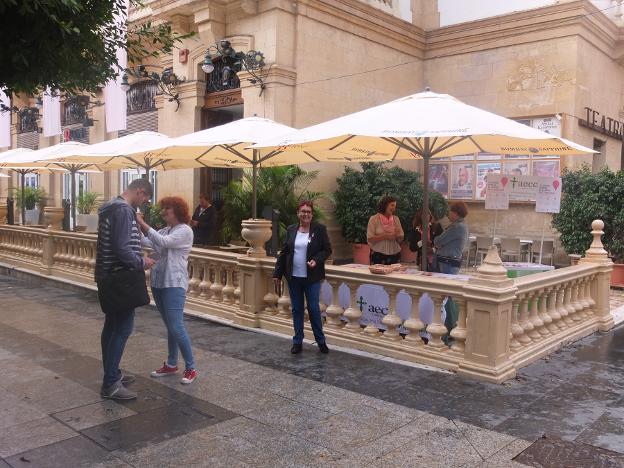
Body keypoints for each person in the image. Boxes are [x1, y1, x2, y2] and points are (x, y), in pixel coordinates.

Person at [95, 179, 155, 400]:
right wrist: (142, 262)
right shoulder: (123, 210)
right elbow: (122, 248)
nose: (143, 204)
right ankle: (110, 383)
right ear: (140, 192)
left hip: (108, 275)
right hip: (120, 277)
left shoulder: (110, 207)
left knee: (111, 326)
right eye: (145, 199)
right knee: (122, 328)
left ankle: (112, 373)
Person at [137, 196, 198, 385]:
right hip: (159, 283)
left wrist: (142, 223)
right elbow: (146, 242)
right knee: (171, 327)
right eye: (163, 209)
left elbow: (162, 242)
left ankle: (191, 367)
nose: (164, 212)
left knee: (176, 326)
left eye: (168, 209)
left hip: (174, 284)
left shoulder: (184, 231)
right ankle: (172, 364)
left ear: (178, 211)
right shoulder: (165, 230)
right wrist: (133, 223)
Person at [273, 201, 332, 354]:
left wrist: (317, 260)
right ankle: (297, 341)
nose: (306, 214)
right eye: (303, 211)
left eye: (309, 212)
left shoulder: (319, 229)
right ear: (298, 213)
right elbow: (284, 252)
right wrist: (277, 274)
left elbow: (327, 250)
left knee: (313, 309)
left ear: (312, 214)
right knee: (297, 309)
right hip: (294, 278)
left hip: (311, 278)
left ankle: (321, 341)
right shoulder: (292, 229)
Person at [433, 201, 469, 343]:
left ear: (455, 213)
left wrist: (437, 239)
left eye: (450, 211)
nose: (448, 214)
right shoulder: (461, 226)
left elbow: (439, 240)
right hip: (449, 263)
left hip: (448, 264)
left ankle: (448, 328)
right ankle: (451, 326)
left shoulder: (457, 227)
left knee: (448, 297)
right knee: (450, 296)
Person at [367, 196, 404, 265]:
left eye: (395, 206)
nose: (394, 208)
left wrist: (397, 236)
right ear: (385, 205)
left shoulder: (396, 219)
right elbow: (370, 239)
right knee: (378, 276)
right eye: (392, 205)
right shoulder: (374, 219)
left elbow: (401, 238)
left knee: (394, 275)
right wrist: (385, 236)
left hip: (395, 254)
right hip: (378, 255)